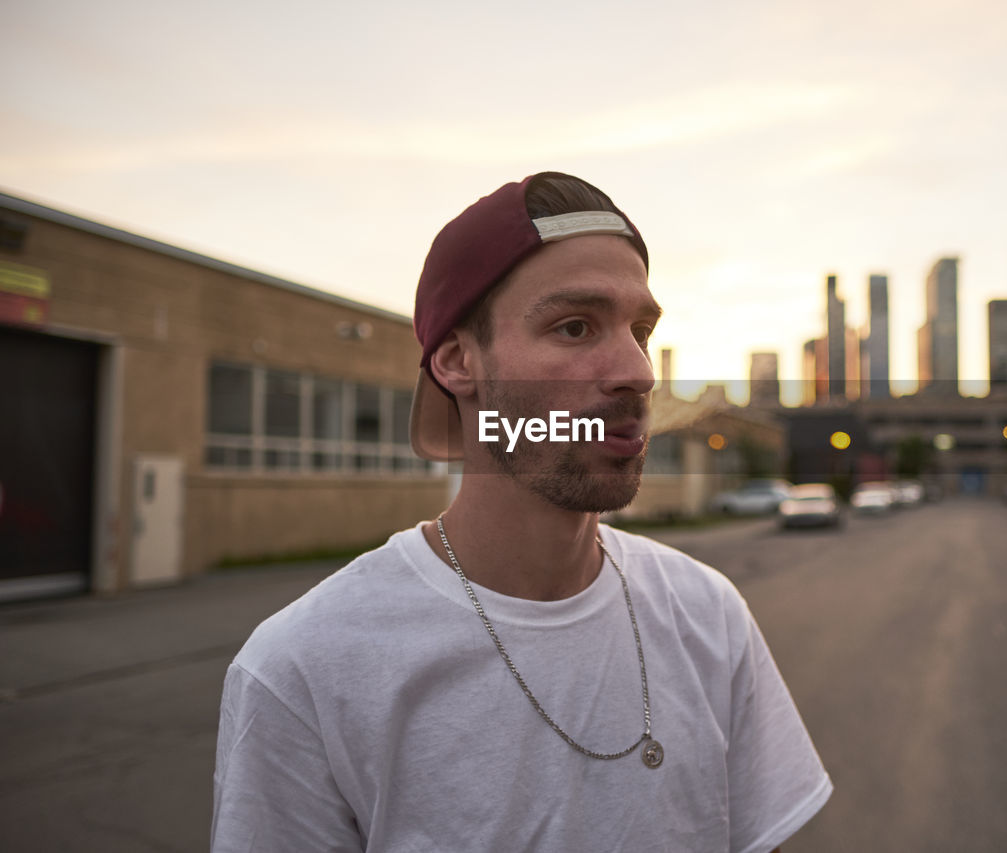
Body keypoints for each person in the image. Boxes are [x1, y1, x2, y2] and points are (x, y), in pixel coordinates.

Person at [212, 172, 832, 852]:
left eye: (641, 330)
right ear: (457, 362)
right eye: (574, 326)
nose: (637, 370)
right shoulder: (304, 668)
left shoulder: (707, 614)